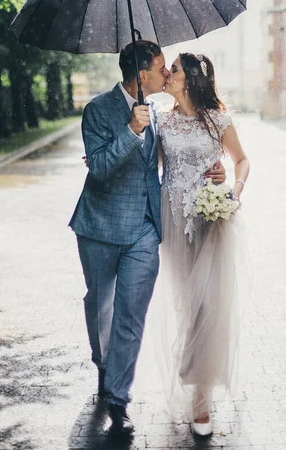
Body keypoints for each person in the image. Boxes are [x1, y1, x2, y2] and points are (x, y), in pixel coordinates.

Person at [69, 40, 226, 435]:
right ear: (142, 76)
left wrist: (216, 167)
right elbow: (101, 168)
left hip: (144, 228)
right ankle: (104, 366)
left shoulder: (157, 113)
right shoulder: (98, 110)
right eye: (161, 68)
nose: (166, 74)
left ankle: (118, 395)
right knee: (100, 305)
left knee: (131, 315)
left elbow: (173, 156)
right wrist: (129, 131)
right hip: (100, 227)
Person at [153, 52, 252, 437]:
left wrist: (232, 186)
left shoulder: (217, 121)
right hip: (174, 221)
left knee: (208, 305)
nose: (167, 73)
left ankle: (202, 399)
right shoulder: (162, 122)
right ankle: (193, 373)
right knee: (186, 303)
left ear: (189, 79)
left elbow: (242, 160)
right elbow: (151, 166)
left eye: (173, 69)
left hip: (210, 219)